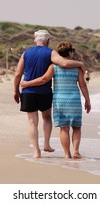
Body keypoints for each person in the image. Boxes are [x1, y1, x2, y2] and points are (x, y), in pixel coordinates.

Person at [14, 30, 85, 158]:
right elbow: (64, 63)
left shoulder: (26, 53)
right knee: (46, 118)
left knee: (32, 122)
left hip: (27, 92)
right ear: (47, 40)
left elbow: (18, 74)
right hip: (44, 92)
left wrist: (16, 90)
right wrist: (80, 64)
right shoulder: (51, 52)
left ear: (35, 40)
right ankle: (46, 144)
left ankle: (36, 151)